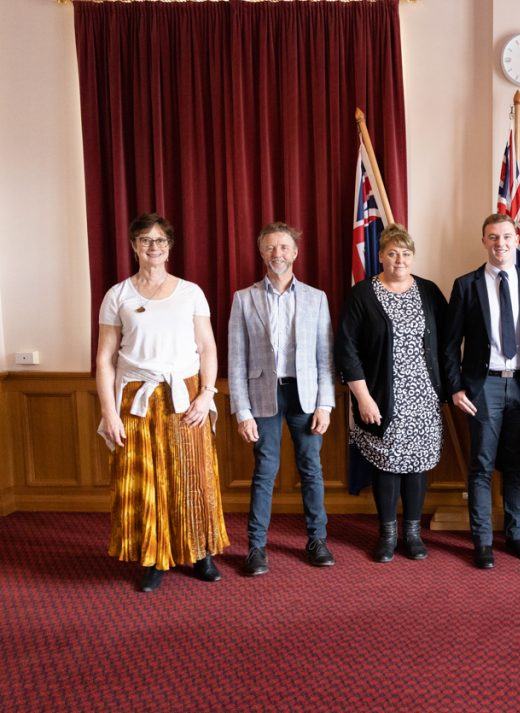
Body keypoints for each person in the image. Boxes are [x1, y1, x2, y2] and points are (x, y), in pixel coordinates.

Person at [95, 213, 228, 592]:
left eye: (160, 240)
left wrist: (206, 394)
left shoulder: (191, 292)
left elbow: (207, 348)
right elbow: (104, 359)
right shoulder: (118, 295)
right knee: (144, 479)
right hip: (135, 397)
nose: (153, 246)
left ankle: (200, 553)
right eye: (145, 240)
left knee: (192, 474)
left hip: (185, 395)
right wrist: (109, 412)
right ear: (134, 246)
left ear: (169, 247)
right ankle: (154, 557)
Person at [228, 222, 336, 576]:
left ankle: (317, 540)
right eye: (271, 247)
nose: (278, 253)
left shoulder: (316, 298)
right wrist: (242, 411)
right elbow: (236, 359)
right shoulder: (243, 299)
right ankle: (256, 547)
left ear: (295, 253)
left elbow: (325, 356)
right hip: (263, 395)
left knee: (311, 468)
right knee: (265, 470)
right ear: (262, 253)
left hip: (306, 396)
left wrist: (325, 405)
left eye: (284, 247)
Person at [443, 214, 520, 569]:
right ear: (484, 241)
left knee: (515, 465)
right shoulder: (466, 285)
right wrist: (455, 387)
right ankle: (483, 541)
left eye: (506, 236)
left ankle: (515, 535)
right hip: (482, 386)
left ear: (516, 239)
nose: (500, 243)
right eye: (492, 237)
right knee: (481, 465)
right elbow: (450, 344)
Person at [336, 224, 448, 563]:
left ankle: (412, 535)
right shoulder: (362, 294)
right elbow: (347, 349)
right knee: (386, 464)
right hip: (381, 397)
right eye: (393, 253)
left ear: (413, 257)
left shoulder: (429, 291)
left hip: (424, 397)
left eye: (406, 254)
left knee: (418, 464)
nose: (400, 260)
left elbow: (446, 341)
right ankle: (387, 535)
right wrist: (363, 397)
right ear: (381, 256)